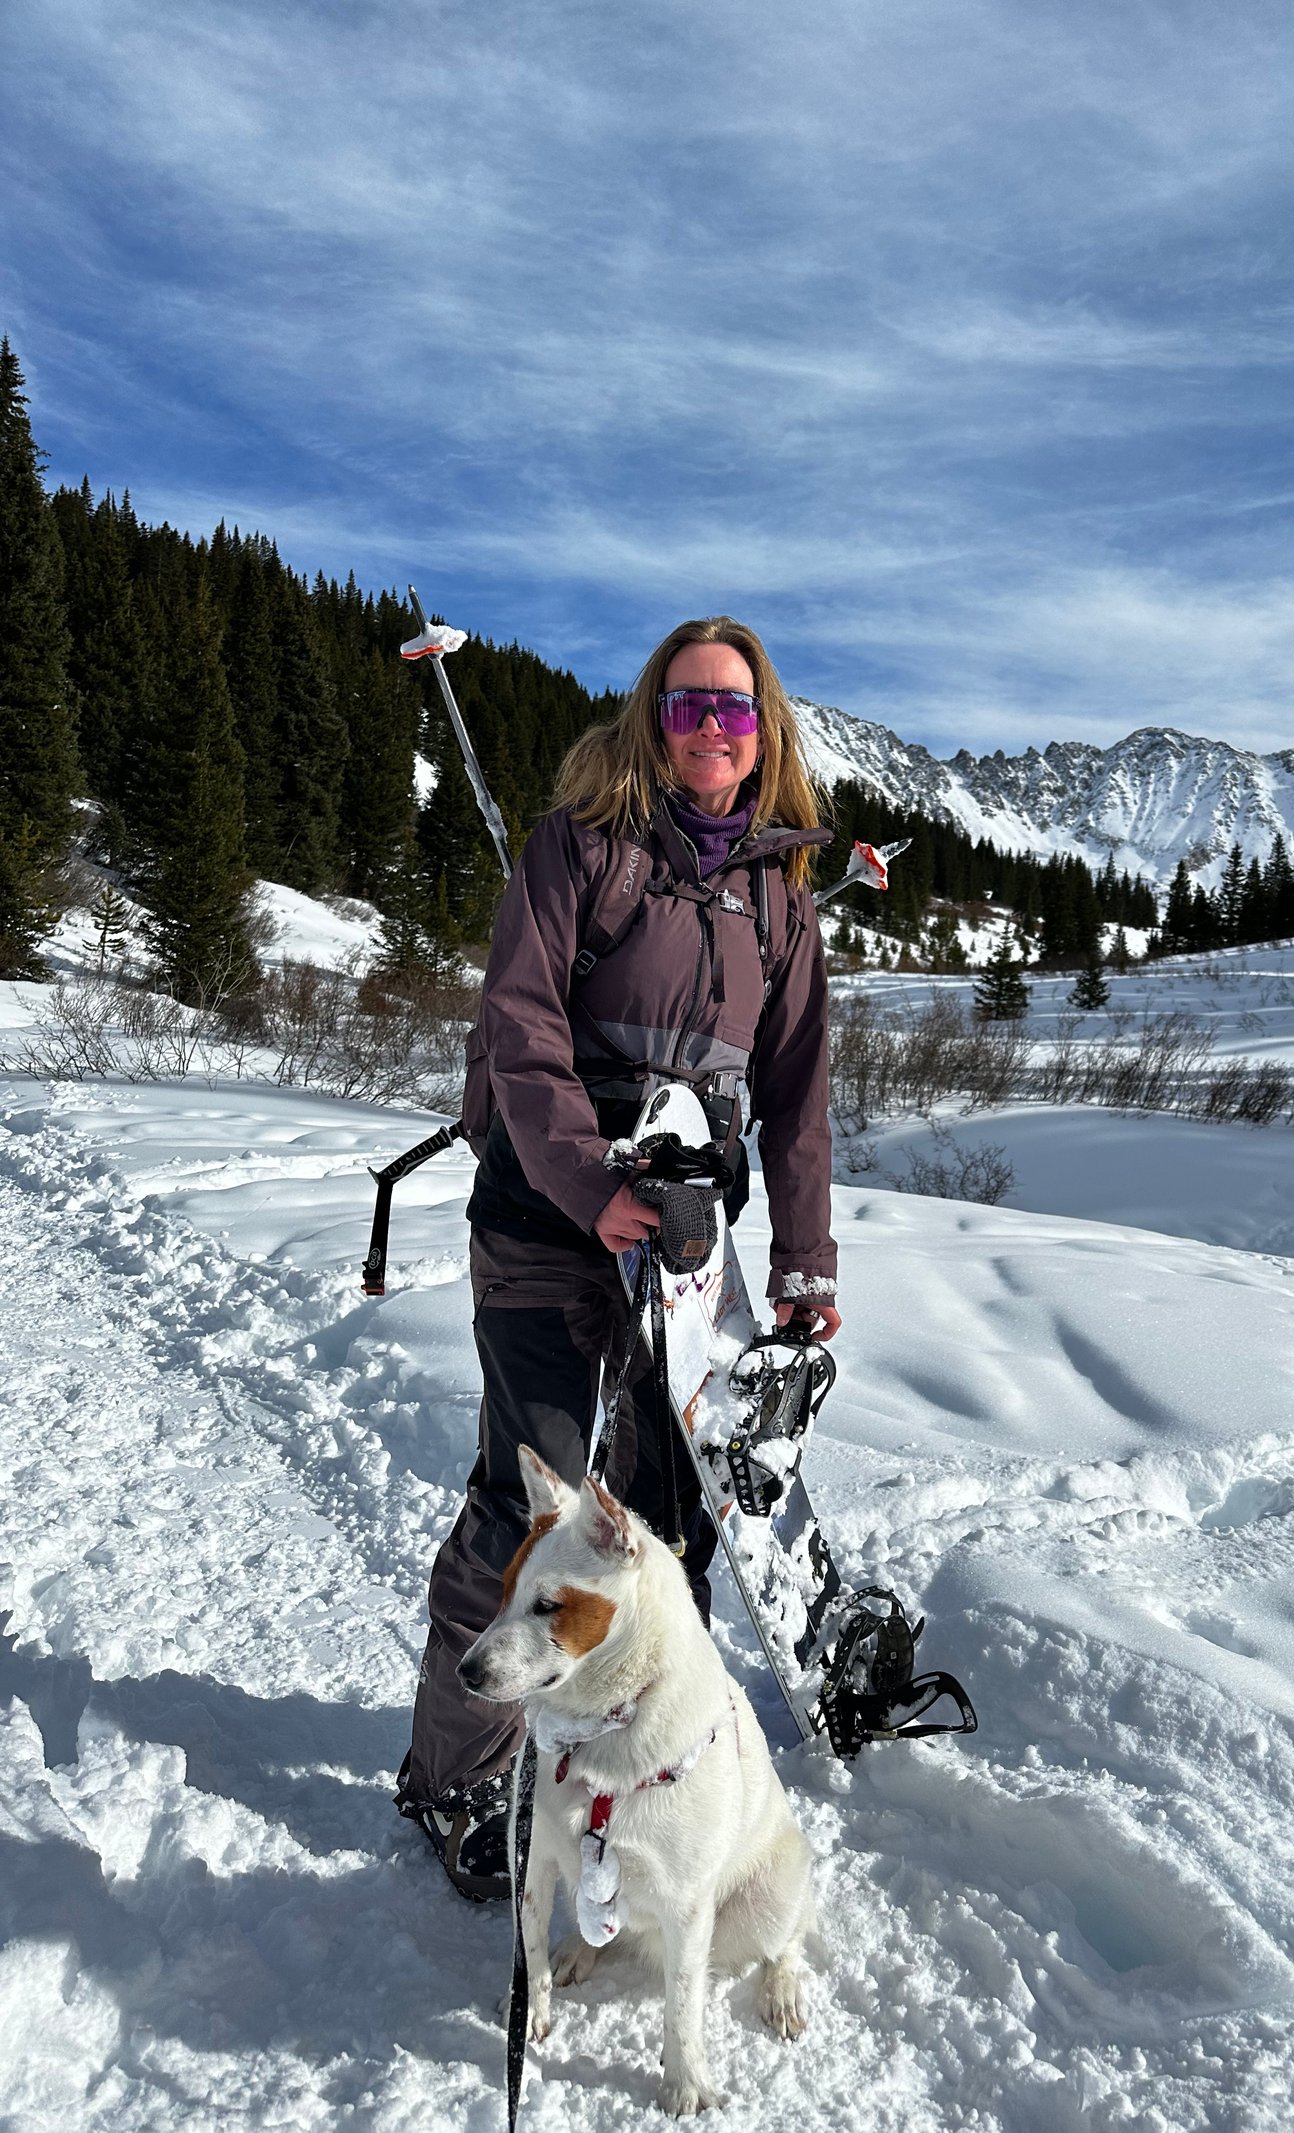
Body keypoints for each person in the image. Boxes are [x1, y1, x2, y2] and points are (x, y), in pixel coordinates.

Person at [396, 615, 842, 1899]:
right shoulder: (578, 847)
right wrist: (589, 1183)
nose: (714, 727)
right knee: (526, 1514)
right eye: (691, 703)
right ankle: (459, 1785)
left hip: (688, 1251)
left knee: (663, 1527)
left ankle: (649, 1780)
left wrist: (805, 1260)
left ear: (767, 734)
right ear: (654, 715)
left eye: (737, 709)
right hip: (547, 1221)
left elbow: (799, 1089)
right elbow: (519, 1026)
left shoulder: (779, 891)